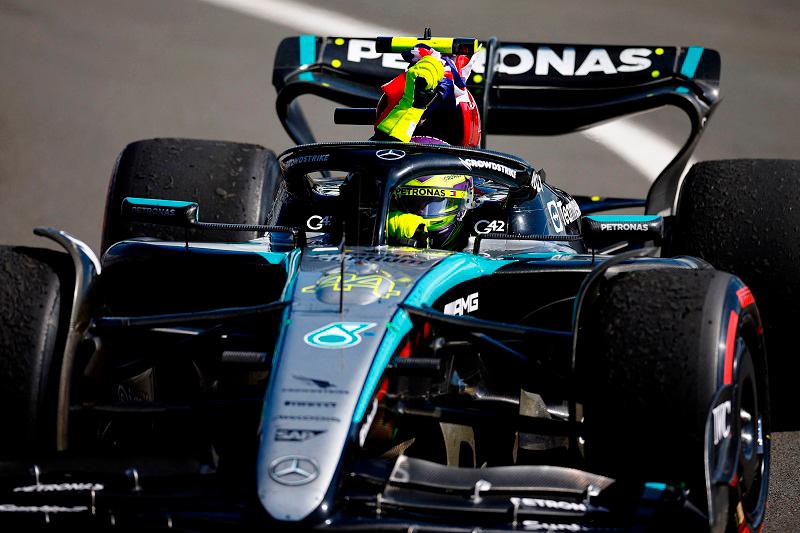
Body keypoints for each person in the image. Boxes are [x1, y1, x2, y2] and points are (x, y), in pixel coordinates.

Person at [373, 44, 482, 249]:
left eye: (433, 204)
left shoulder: (493, 206)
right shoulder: (364, 186)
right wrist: (380, 223)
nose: (419, 218)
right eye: (410, 205)